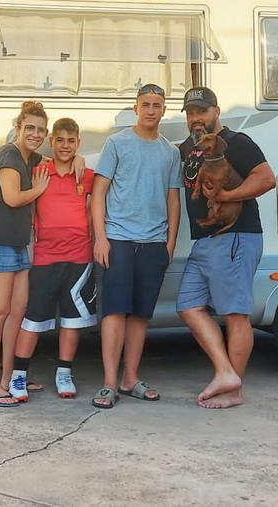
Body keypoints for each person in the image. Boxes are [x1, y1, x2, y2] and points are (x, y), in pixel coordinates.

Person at [177, 87, 276, 409]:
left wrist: (225, 198)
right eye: (191, 113)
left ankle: (234, 388)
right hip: (206, 240)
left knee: (235, 315)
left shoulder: (237, 143)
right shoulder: (187, 150)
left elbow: (266, 179)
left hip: (236, 236)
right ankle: (224, 372)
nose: (196, 119)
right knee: (188, 305)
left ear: (216, 112)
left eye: (201, 112)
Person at [90, 83, 182, 410]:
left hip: (154, 243)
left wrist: (169, 243)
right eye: (146, 104)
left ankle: (130, 378)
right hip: (118, 240)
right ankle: (109, 384)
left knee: (141, 315)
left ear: (164, 109)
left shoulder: (170, 152)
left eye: (157, 104)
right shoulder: (117, 143)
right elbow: (99, 193)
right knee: (115, 312)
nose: (151, 110)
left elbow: (174, 199)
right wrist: (100, 238)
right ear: (136, 107)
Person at [8, 118, 97, 401]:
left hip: (79, 256)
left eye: (71, 141)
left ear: (78, 143)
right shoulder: (38, 172)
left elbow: (97, 209)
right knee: (33, 319)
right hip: (45, 257)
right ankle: (18, 375)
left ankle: (64, 373)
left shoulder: (87, 175)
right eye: (60, 140)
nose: (66, 146)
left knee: (72, 321)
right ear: (52, 142)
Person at [0, 100, 51, 408]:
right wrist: (38, 191)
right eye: (29, 127)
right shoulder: (8, 156)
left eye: (41, 130)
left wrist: (79, 158)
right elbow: (13, 198)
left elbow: (57, 158)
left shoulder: (28, 158)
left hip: (17, 245)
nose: (35, 134)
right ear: (18, 127)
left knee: (17, 312)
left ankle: (10, 377)